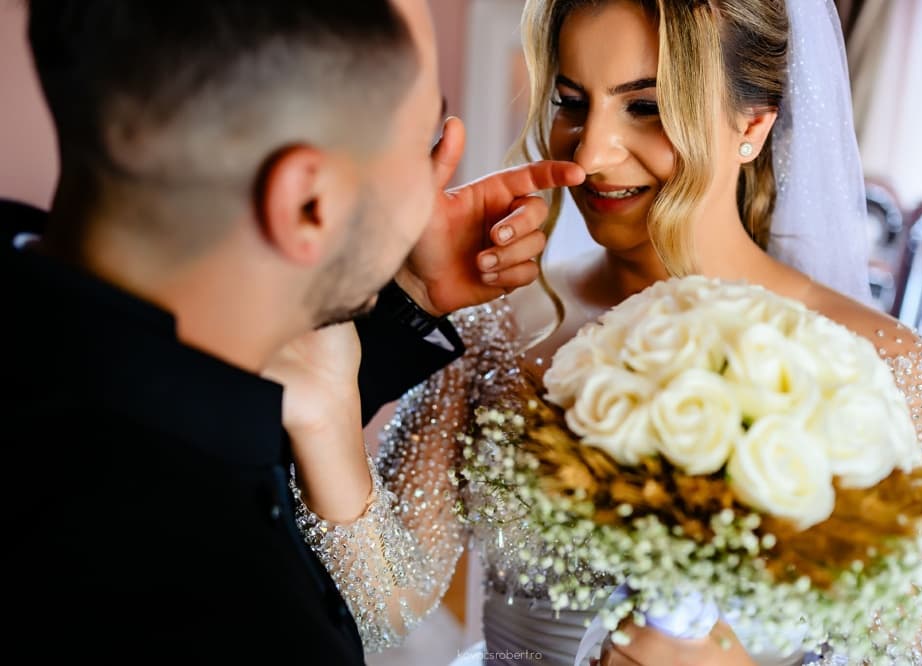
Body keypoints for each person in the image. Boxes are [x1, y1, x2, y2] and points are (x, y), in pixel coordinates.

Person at [290, 0, 922, 664]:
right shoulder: (501, 325)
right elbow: (384, 606)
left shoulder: (877, 365)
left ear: (753, 124)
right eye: (570, 101)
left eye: (645, 106)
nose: (590, 153)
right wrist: (327, 404)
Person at [1, 0, 584, 663]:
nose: (434, 197)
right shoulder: (239, 619)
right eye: (420, 149)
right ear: (310, 203)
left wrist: (402, 288)